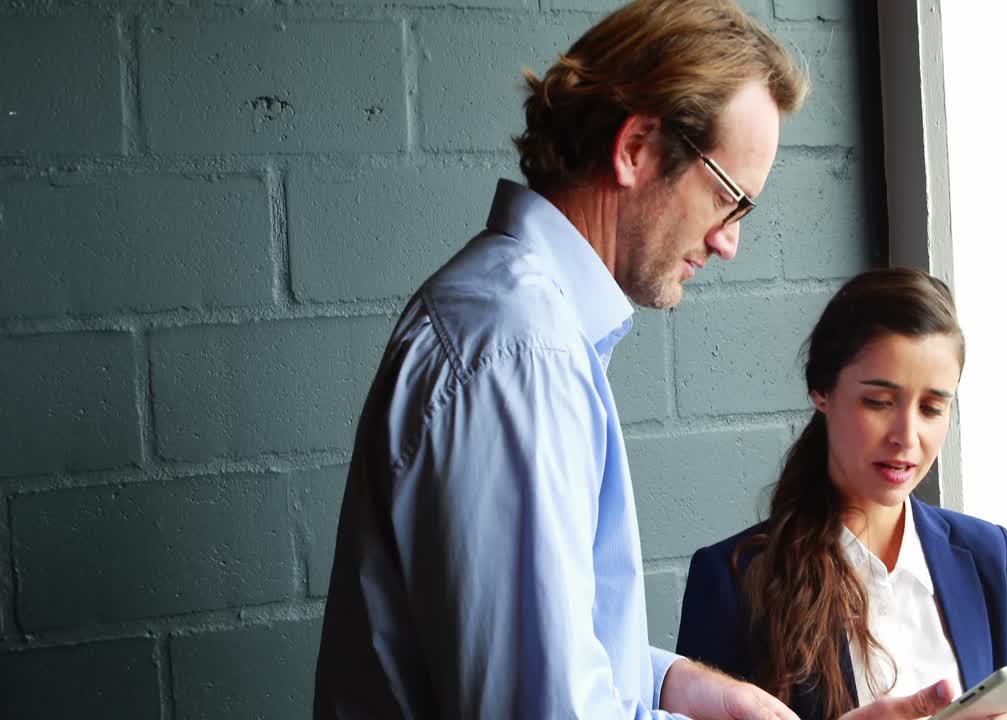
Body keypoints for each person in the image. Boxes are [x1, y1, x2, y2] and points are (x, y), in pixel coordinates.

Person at [313, 1, 966, 718]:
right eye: (729, 199)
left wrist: (679, 683)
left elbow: (556, 656)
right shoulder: (521, 354)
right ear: (635, 148)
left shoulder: (522, 325)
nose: (727, 242)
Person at [676, 268, 1007, 720]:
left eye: (932, 408)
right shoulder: (733, 580)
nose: (907, 436)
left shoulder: (987, 556)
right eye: (880, 402)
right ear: (821, 390)